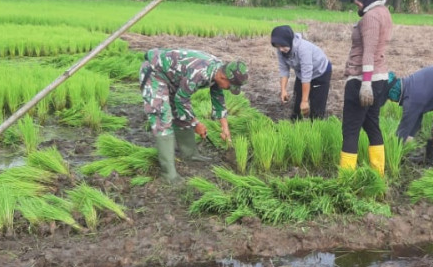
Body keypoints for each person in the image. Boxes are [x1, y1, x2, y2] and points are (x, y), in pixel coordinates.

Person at [139, 48, 248, 182]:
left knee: (181, 113)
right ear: (222, 77)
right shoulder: (199, 73)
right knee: (163, 117)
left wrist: (225, 129)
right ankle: (168, 174)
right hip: (155, 73)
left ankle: (189, 154)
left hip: (173, 77)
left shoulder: (220, 70)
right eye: (229, 86)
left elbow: (218, 98)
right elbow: (182, 99)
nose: (228, 89)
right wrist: (196, 124)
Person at [338, 0, 393, 174]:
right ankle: (377, 174)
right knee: (372, 126)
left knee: (351, 130)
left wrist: (365, 84)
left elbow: (368, 52)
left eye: (356, 0)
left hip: (363, 81)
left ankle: (345, 179)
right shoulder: (384, 12)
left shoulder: (370, 18)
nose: (356, 4)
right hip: (380, 80)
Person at [270, 25, 332, 120]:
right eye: (278, 47)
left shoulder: (303, 49)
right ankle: (295, 124)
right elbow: (284, 70)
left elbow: (306, 75)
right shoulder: (281, 51)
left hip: (320, 72)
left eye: (283, 46)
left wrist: (305, 101)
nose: (281, 49)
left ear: (289, 41)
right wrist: (283, 90)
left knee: (316, 111)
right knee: (297, 105)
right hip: (301, 73)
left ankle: (316, 127)